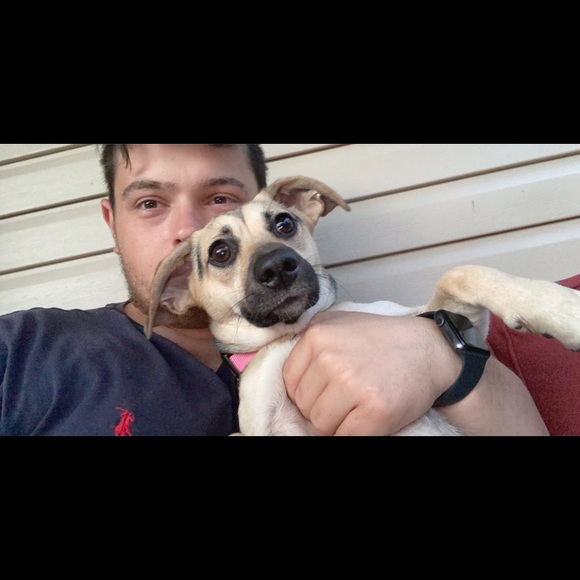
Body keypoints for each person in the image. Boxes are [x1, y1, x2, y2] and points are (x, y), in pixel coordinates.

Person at [0, 144, 549, 436]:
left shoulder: (378, 326)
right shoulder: (23, 350)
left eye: (222, 198)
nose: (188, 228)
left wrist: (445, 356)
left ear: (298, 210)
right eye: (150, 202)